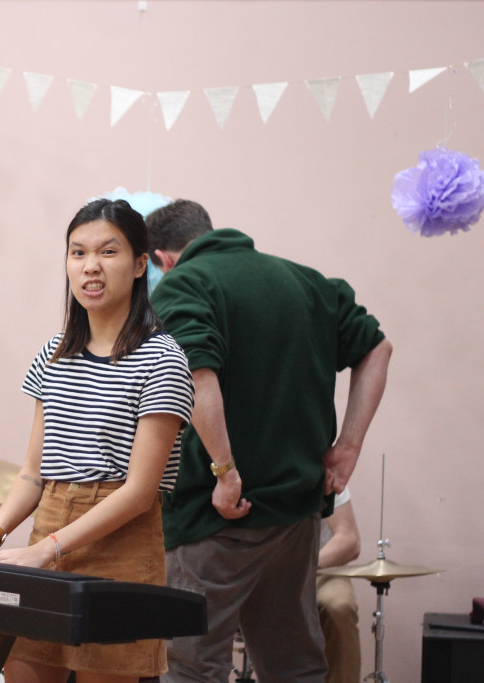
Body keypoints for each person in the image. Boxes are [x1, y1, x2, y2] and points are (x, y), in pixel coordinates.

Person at [0, 198, 195, 683]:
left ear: (141, 264)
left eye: (108, 252)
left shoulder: (163, 359)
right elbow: (35, 473)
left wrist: (47, 548)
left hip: (120, 543)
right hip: (48, 531)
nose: (90, 267)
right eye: (77, 253)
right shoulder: (54, 354)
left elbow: (141, 491)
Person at [146, 199, 392, 682]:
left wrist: (224, 470)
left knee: (193, 668)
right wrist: (349, 446)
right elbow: (378, 348)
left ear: (163, 258)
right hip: (296, 517)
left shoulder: (186, 284)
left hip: (215, 518)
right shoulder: (308, 282)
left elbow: (196, 373)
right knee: (295, 667)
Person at [318, 486, 362, 683]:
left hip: (320, 567)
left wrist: (305, 568)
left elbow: (349, 540)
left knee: (339, 607)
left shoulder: (326, 469)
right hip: (266, 569)